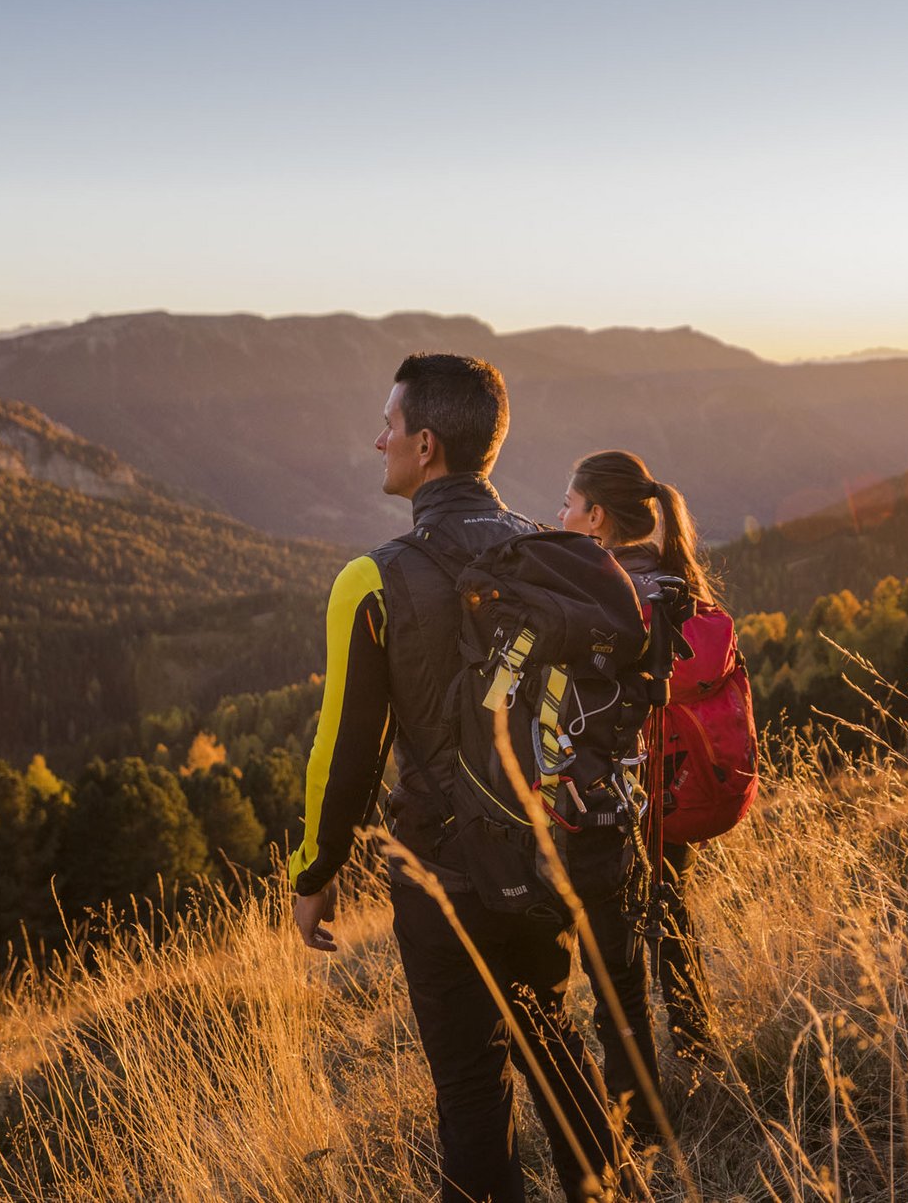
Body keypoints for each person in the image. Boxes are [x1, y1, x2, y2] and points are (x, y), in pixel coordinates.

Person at [288, 354, 621, 1203]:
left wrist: (315, 873)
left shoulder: (371, 581)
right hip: (544, 849)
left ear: (426, 445)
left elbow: (346, 749)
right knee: (554, 1040)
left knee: (471, 1085)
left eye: (390, 427)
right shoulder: (551, 556)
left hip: (442, 872)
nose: (379, 440)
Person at [556, 449, 722, 1114]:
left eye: (567, 504)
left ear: (596, 517)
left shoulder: (596, 595)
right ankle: (701, 1049)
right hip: (672, 787)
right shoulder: (676, 584)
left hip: (605, 800)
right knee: (673, 917)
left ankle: (633, 1106)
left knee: (610, 955)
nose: (559, 514)